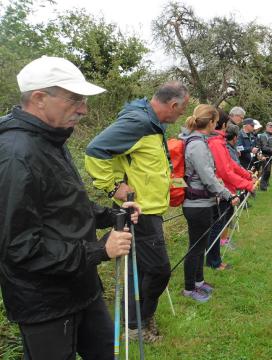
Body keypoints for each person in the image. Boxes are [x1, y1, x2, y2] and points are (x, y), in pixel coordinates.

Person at [0, 56, 139, 359]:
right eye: (74, 99)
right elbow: (19, 248)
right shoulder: (15, 155)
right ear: (39, 98)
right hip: (44, 301)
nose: (83, 109)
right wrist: (99, 251)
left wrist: (112, 214)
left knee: (104, 351)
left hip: (80, 286)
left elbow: (65, 201)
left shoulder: (51, 139)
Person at [85, 81, 190, 342]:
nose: (181, 116)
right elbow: (96, 150)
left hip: (149, 210)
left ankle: (135, 325)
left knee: (140, 270)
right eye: (182, 110)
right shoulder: (139, 122)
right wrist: (112, 187)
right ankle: (141, 320)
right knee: (159, 270)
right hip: (138, 212)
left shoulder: (153, 124)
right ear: (173, 104)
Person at [179, 105, 239, 301]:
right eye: (217, 121)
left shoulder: (200, 141)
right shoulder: (197, 144)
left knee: (201, 245)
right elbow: (207, 177)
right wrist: (228, 194)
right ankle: (189, 288)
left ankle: (199, 282)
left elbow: (208, 174)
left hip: (204, 202)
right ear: (211, 122)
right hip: (197, 205)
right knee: (195, 247)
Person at [206, 110, 255, 271]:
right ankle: (213, 262)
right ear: (224, 124)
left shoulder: (219, 141)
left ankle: (214, 259)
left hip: (226, 190)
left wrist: (246, 175)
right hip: (221, 191)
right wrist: (246, 184)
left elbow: (231, 165)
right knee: (217, 227)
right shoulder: (215, 142)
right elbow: (224, 171)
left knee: (220, 224)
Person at [256, 121, 272, 191]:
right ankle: (262, 187)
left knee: (268, 171)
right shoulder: (263, 135)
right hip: (263, 156)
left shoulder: (271, 136)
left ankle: (264, 185)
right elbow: (264, 147)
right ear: (266, 127)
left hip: (269, 156)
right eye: (270, 127)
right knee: (265, 171)